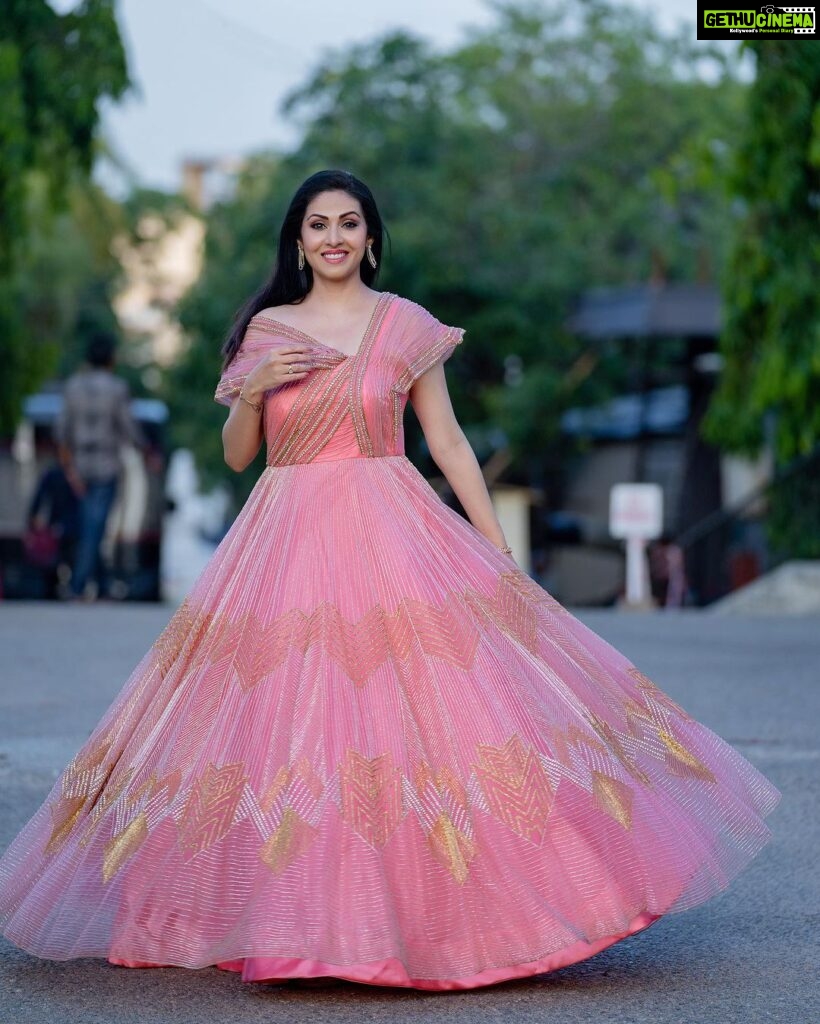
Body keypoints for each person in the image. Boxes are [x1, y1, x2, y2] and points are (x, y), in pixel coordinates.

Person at [0, 170, 780, 991]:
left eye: (347, 223)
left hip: (392, 524)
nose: (332, 238)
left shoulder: (404, 325)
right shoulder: (268, 328)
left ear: (370, 238)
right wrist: (254, 390)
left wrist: (495, 551)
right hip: (288, 532)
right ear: (297, 244)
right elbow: (239, 455)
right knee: (289, 720)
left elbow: (445, 442)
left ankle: (443, 919)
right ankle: (291, 919)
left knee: (422, 717)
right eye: (316, 225)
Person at [54, 332, 153, 601]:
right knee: (95, 526)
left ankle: (101, 583)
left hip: (79, 462)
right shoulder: (117, 388)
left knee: (90, 522)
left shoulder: (72, 387)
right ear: (110, 358)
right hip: (107, 462)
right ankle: (78, 585)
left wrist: (70, 470)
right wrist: (146, 451)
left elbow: (61, 432)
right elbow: (128, 426)